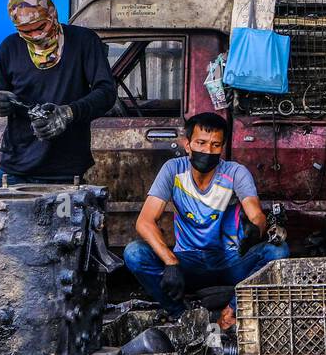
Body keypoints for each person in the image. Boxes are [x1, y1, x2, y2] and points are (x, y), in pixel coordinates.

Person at [123, 112, 288, 329]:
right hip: (187, 262)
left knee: (278, 252)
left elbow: (256, 213)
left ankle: (232, 311)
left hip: (230, 260)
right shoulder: (173, 170)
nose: (207, 151)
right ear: (187, 144)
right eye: (201, 143)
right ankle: (183, 317)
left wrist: (255, 229)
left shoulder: (235, 172)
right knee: (134, 253)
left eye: (215, 145)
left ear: (222, 148)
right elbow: (144, 221)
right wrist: (171, 262)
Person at [0, 0, 117, 185]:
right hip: (16, 169)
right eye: (26, 32)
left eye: (41, 27)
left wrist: (68, 113)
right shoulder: (9, 47)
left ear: (52, 15)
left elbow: (106, 92)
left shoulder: (84, 42)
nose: (36, 35)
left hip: (65, 170)